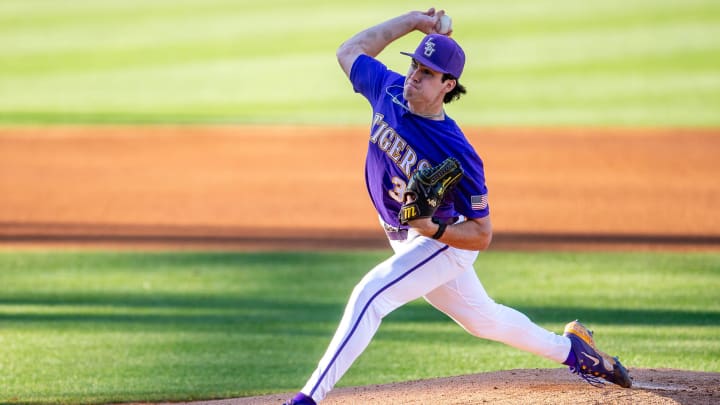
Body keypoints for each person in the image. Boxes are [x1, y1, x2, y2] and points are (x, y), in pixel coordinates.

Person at [283, 8, 631, 405]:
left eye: (427, 73)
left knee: (370, 295)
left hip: (444, 244)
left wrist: (434, 230)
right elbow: (351, 50)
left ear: (449, 85)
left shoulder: (458, 152)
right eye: (414, 66)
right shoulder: (388, 89)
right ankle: (577, 351)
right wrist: (413, 21)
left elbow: (482, 234)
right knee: (484, 319)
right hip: (407, 236)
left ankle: (307, 399)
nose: (414, 76)